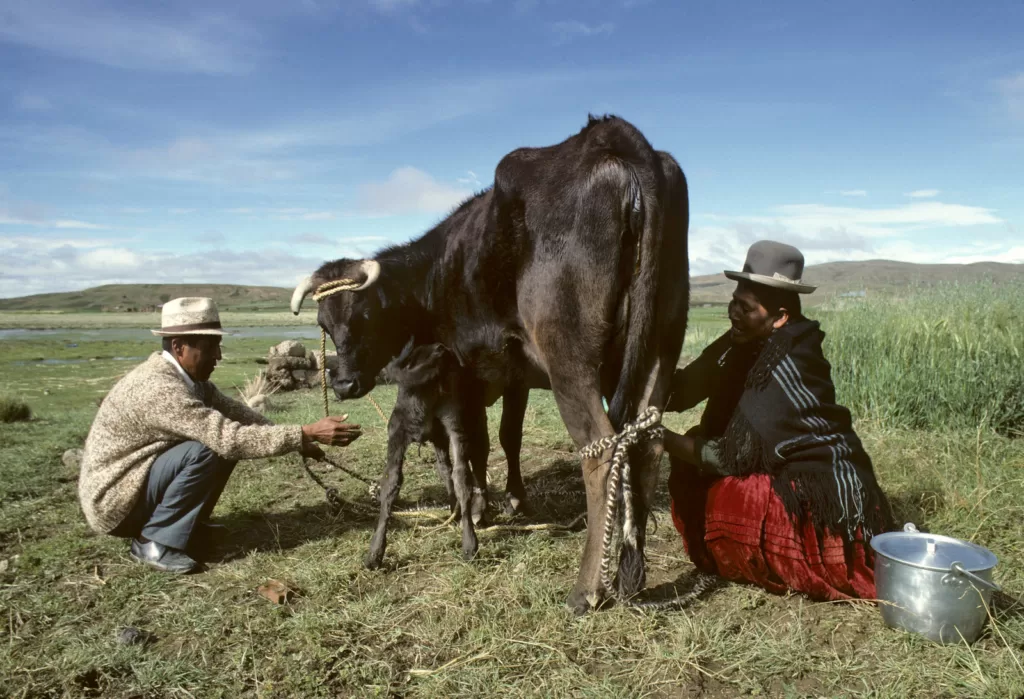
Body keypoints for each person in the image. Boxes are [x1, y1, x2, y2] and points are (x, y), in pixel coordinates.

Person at [662, 241, 893, 601]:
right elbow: (683, 391)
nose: (734, 313)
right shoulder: (740, 342)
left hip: (820, 495)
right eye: (733, 302)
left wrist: (659, 439)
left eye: (746, 308)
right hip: (776, 467)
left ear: (781, 316)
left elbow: (728, 457)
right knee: (693, 448)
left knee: (717, 480)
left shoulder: (790, 361)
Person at [78, 297, 362, 574]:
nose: (218, 356)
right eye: (210, 347)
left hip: (136, 485)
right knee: (210, 447)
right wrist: (302, 433)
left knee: (217, 441)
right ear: (179, 347)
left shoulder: (188, 379)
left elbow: (238, 413)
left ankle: (183, 525)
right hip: (115, 505)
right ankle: (154, 541)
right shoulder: (160, 388)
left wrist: (301, 442)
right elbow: (229, 437)